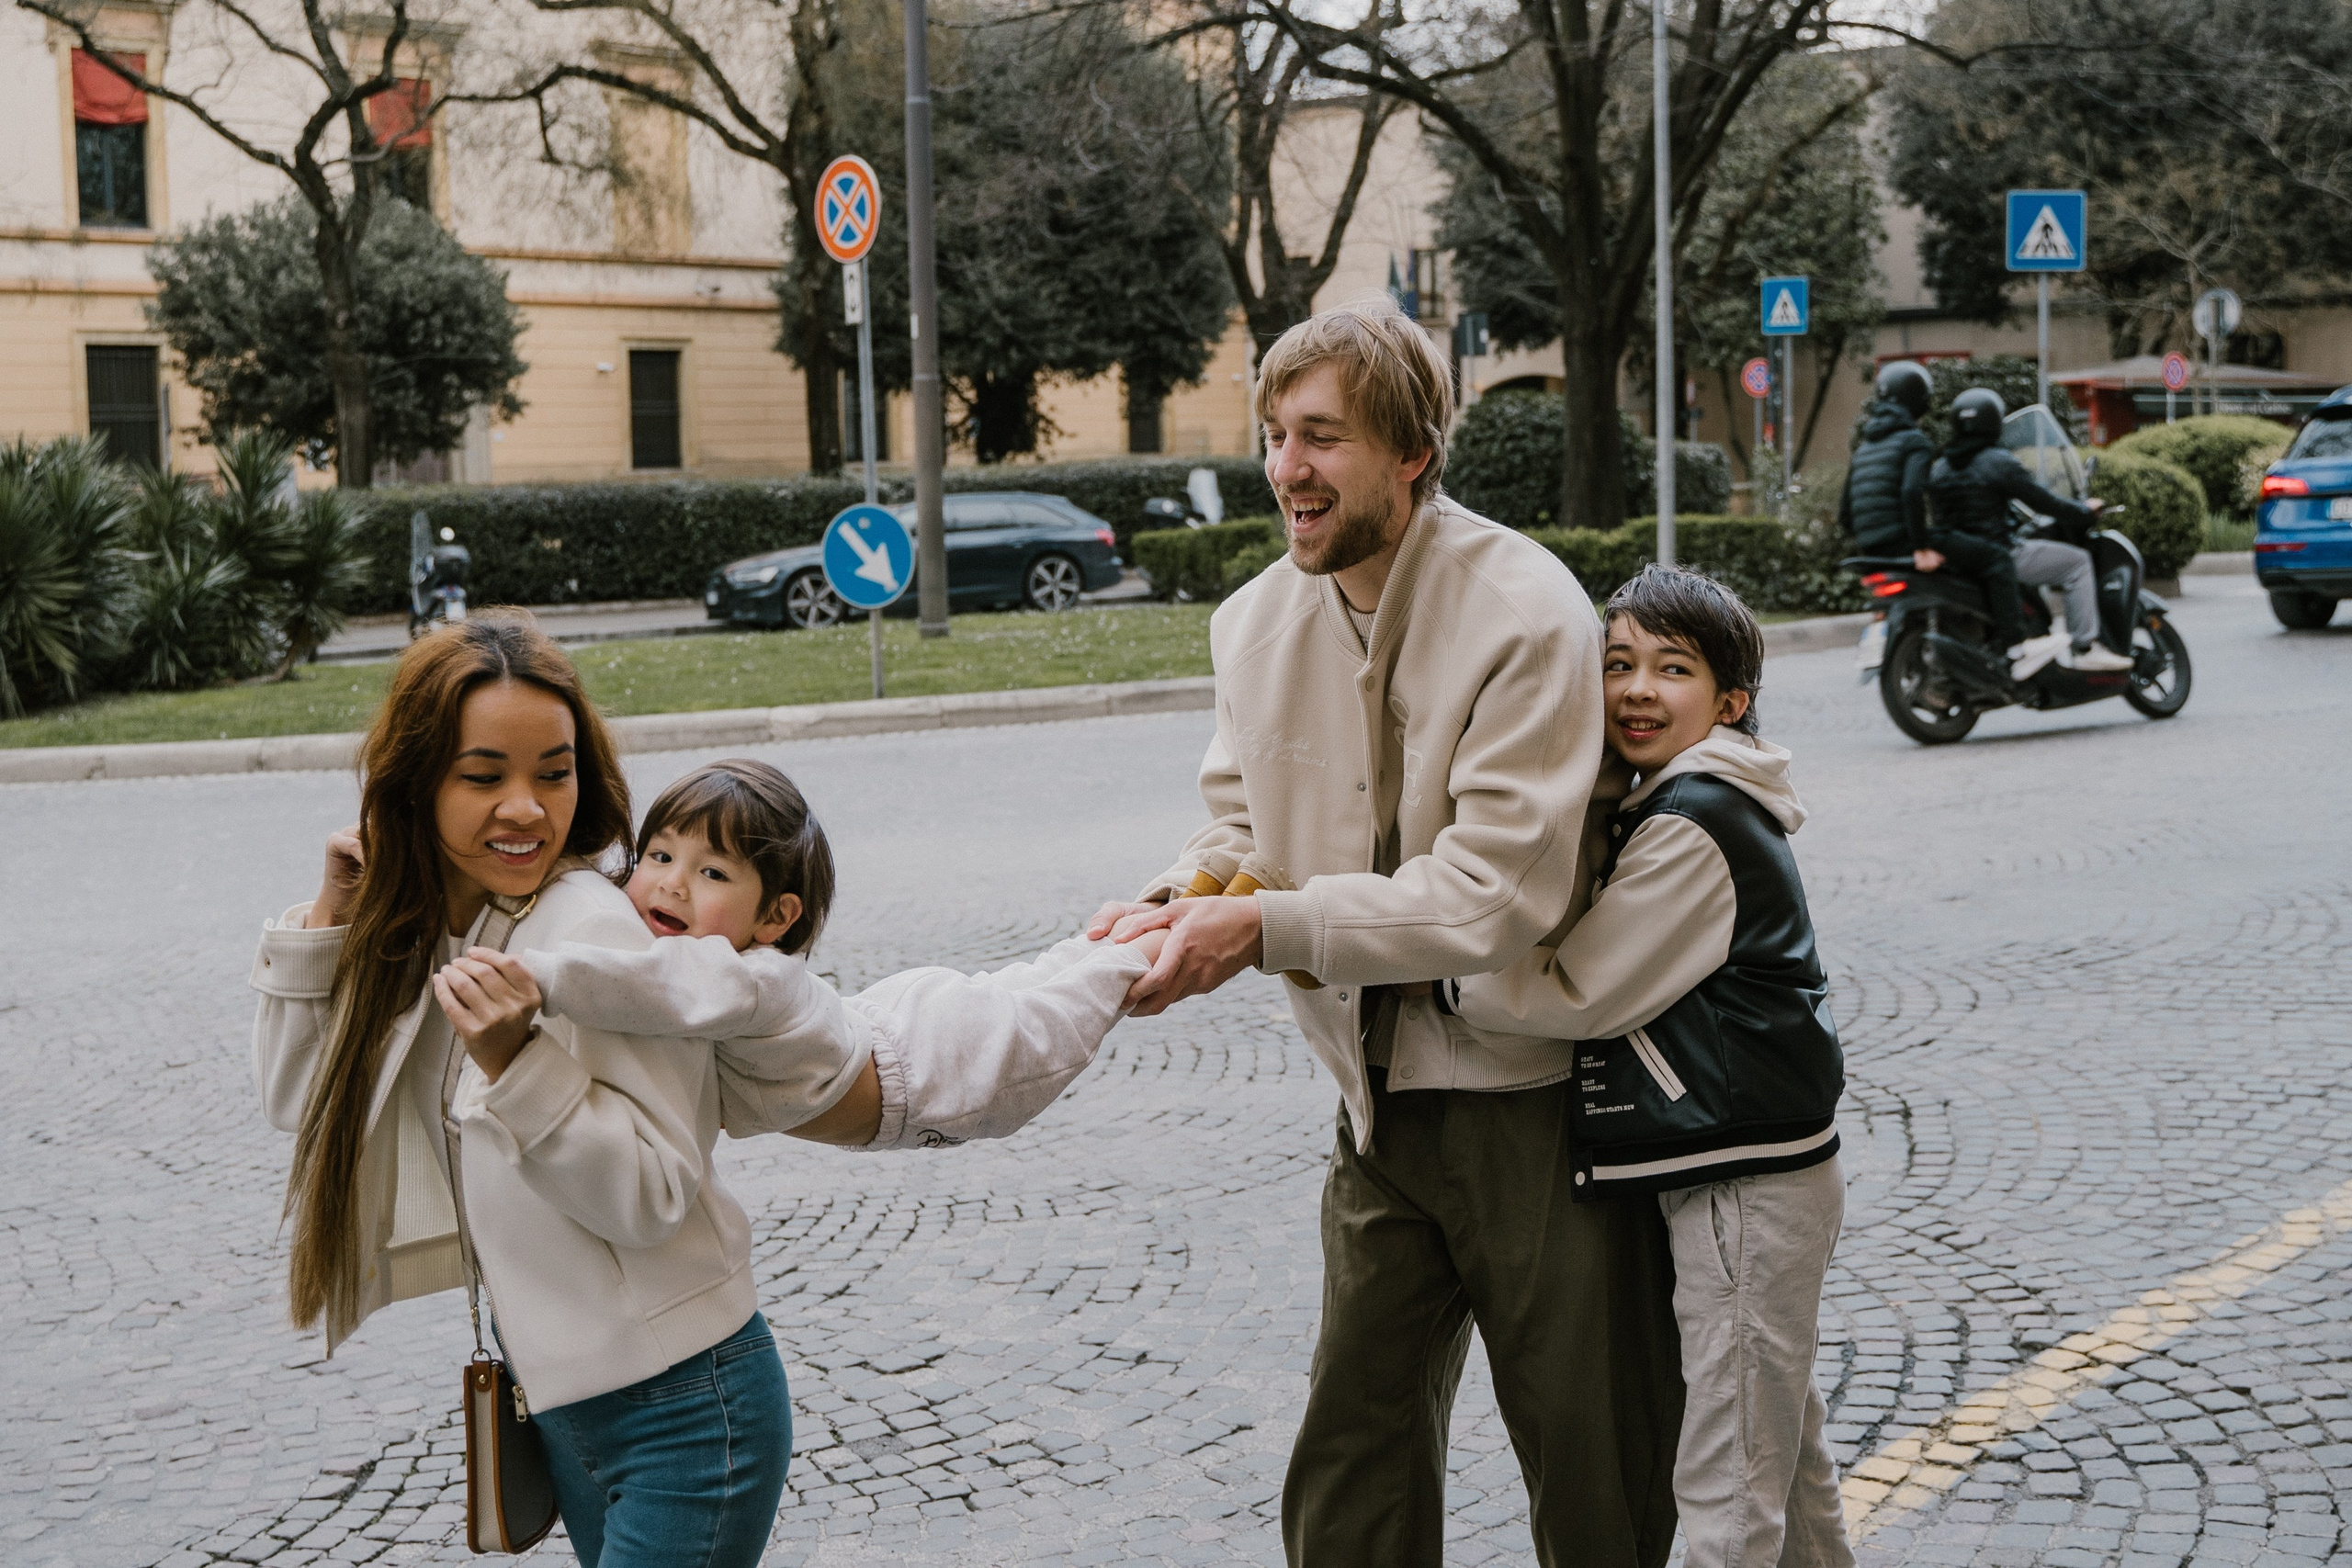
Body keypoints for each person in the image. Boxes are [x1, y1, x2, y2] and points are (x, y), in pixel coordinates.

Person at [1087, 300, 1683, 1568]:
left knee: (1597, 1475)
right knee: (1349, 1472)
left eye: (1322, 437)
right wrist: (1177, 893)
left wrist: (1259, 929)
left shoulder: (1527, 607)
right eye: (1273, 435)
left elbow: (1486, 899)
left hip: (1542, 1101)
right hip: (1376, 1113)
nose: (1286, 468)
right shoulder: (1251, 622)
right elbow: (1238, 819)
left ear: (1412, 449)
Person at [1442, 565, 1852, 1568]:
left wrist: (1445, 979)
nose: (1635, 689)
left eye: (1673, 669)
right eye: (1616, 663)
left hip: (1741, 1180)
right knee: (1779, 1454)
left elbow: (1580, 990)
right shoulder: (1690, 800)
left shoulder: (1694, 823)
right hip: (1751, 1165)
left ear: (1730, 701)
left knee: (1728, 1477)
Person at [450, 757, 1167, 1152]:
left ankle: (1152, 935)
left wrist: (534, 976)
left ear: (775, 918)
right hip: (885, 1021)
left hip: (934, 1066)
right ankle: (1121, 929)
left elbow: (654, 986)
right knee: (1033, 980)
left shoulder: (745, 981)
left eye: (712, 872)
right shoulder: (719, 956)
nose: (668, 880)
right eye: (658, 854)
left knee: (1066, 1003)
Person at [1922, 388, 2106, 678]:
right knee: (2078, 562)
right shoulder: (1999, 462)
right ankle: (2085, 648)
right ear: (1994, 423)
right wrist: (2084, 511)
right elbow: (2045, 502)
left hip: (1958, 560)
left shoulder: (1940, 468)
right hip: (2001, 554)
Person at [1836, 360, 1936, 671]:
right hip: (1902, 545)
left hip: (1872, 552)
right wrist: (1921, 546)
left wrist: (1867, 537)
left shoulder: (1865, 447)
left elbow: (1844, 512)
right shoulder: (1914, 441)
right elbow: (1911, 493)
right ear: (1920, 400)